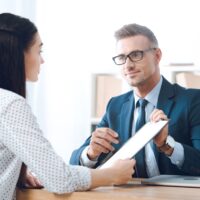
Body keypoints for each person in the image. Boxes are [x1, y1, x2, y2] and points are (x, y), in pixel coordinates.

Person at [0, 13, 135, 200]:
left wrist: (18, 174)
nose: (42, 60)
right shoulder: (10, 105)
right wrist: (111, 174)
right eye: (39, 51)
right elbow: (59, 179)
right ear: (18, 53)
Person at [70, 23, 200, 178]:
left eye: (136, 55)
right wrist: (91, 153)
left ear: (157, 56)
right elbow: (74, 162)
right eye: (121, 57)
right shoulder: (115, 106)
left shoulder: (192, 100)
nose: (128, 65)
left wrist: (167, 145)